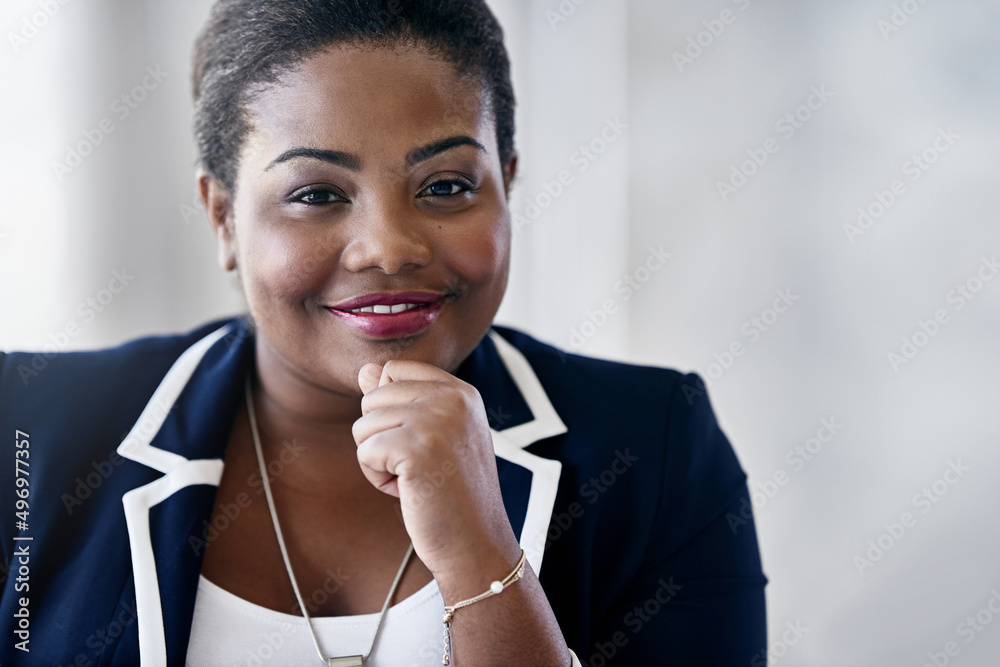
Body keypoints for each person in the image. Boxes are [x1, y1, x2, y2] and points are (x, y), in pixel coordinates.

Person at [0, 0, 767, 664]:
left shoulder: (659, 448)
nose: (390, 246)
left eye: (446, 185)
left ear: (508, 182)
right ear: (224, 215)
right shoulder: (25, 430)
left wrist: (483, 560)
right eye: (317, 193)